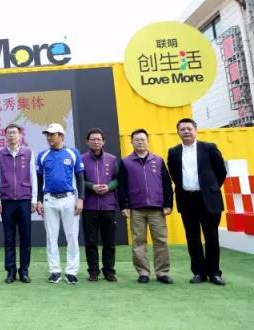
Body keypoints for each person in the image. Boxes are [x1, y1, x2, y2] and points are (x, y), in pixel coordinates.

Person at [167, 118, 227, 286]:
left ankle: (214, 273)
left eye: (189, 129)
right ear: (178, 132)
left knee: (211, 237)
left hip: (208, 199)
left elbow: (221, 172)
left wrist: (211, 188)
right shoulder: (173, 152)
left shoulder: (209, 148)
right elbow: (174, 175)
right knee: (192, 237)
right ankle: (199, 272)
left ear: (195, 130)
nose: (186, 132)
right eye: (182, 129)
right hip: (187, 199)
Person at [118, 128, 174, 284]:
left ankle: (162, 272)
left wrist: (168, 204)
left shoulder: (158, 160)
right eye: (136, 140)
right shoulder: (125, 162)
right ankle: (143, 272)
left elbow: (167, 184)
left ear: (148, 141)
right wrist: (124, 206)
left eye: (142, 139)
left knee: (161, 241)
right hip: (136, 208)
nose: (140, 142)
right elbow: (121, 186)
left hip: (157, 208)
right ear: (131, 142)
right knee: (138, 241)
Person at [36, 123, 85, 284]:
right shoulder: (43, 155)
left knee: (72, 236)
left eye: (52, 134)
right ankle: (55, 270)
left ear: (61, 136)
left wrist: (80, 199)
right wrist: (39, 200)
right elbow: (39, 180)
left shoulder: (73, 153)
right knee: (51, 237)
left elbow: (80, 178)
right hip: (49, 199)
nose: (49, 137)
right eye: (47, 135)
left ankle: (71, 271)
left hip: (69, 199)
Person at [0, 124, 37, 284]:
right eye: (9, 133)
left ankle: (24, 271)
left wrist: (34, 199)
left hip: (24, 200)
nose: (12, 135)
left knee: (25, 237)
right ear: (5, 136)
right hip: (7, 201)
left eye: (15, 133)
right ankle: (10, 271)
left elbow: (33, 177)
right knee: (9, 238)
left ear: (20, 136)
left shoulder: (28, 153)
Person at [81, 128, 120, 282]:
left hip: (108, 206)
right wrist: (92, 186)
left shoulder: (112, 159)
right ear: (87, 141)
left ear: (103, 141)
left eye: (98, 139)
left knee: (109, 241)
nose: (96, 142)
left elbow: (118, 179)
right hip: (89, 206)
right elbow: (79, 180)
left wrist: (109, 187)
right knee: (90, 242)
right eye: (93, 139)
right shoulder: (81, 159)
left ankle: (109, 271)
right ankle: (93, 271)